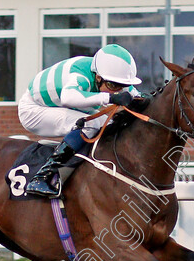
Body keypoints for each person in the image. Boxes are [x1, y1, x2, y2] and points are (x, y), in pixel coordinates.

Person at [17, 44, 142, 197]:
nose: (116, 90)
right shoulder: (81, 74)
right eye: (111, 85)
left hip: (59, 106)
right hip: (33, 109)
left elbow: (138, 98)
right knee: (90, 124)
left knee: (109, 123)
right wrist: (110, 98)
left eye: (121, 86)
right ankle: (42, 177)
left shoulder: (110, 75)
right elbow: (68, 97)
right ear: (98, 76)